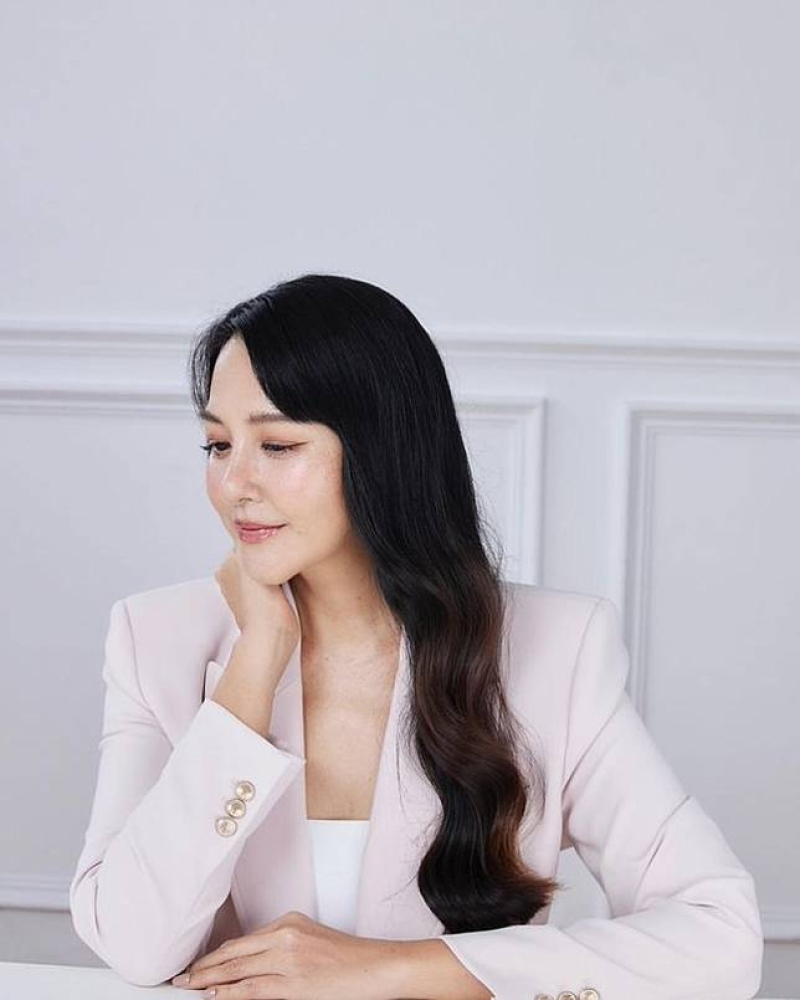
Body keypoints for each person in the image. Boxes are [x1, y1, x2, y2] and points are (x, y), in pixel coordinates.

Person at [69, 274, 763, 1000]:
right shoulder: (155, 639)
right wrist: (255, 662)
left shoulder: (557, 649)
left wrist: (386, 969)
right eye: (217, 445)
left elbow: (722, 939)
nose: (234, 483)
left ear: (383, 451)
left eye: (276, 444)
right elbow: (132, 943)